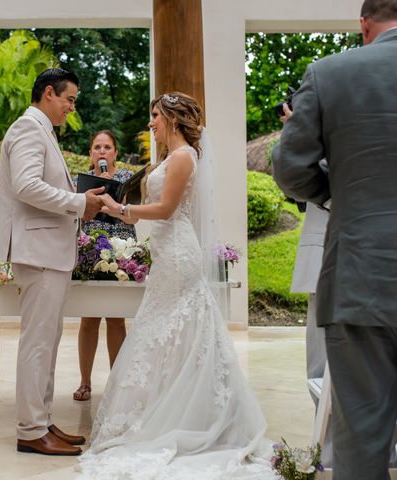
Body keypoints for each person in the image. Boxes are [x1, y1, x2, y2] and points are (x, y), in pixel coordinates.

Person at [271, 1, 397, 478]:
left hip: (360, 276)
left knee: (361, 440)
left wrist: (341, 190)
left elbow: (288, 170)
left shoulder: (329, 74)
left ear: (364, 26)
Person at [77, 92, 275, 478]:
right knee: (166, 330)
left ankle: (189, 413)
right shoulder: (172, 158)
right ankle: (171, 404)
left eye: (154, 116)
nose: (150, 123)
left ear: (171, 117)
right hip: (167, 252)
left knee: (176, 327)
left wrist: (121, 210)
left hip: (179, 253)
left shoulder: (184, 157)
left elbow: (167, 209)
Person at [0, 68, 104, 456]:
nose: (72, 107)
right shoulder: (28, 128)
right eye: (69, 99)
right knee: (37, 344)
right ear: (47, 93)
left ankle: (40, 421)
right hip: (38, 253)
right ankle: (29, 430)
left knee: (48, 341)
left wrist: (81, 200)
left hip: (50, 253)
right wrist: (79, 203)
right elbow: (26, 186)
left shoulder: (43, 131)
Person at [72, 130, 136, 402]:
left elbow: (135, 218)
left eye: (107, 147)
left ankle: (116, 383)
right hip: (89, 250)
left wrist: (115, 196)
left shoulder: (127, 179)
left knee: (116, 318)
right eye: (96, 146)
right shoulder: (80, 181)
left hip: (121, 251)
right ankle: (85, 382)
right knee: (88, 319)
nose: (101, 151)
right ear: (90, 153)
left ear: (115, 153)